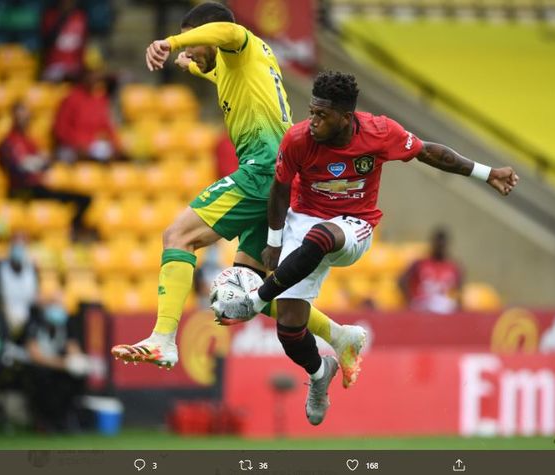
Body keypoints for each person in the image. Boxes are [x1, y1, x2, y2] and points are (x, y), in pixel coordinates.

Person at [215, 71, 519, 425]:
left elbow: (429, 152)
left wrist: (487, 173)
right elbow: (280, 190)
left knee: (322, 238)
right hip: (303, 220)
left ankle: (254, 301)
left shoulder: (380, 132)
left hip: (353, 226)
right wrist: (274, 242)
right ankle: (319, 373)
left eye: (321, 115)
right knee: (289, 330)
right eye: (312, 111)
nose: (312, 121)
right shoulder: (298, 139)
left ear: (346, 118)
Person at [111, 2, 366, 390]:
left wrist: (171, 41)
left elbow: (226, 33)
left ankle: (163, 339)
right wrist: (195, 65)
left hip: (262, 169)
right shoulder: (250, 64)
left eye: (197, 42)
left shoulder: (240, 41)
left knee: (178, 237)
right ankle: (339, 336)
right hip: (280, 179)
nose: (191, 50)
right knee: (254, 287)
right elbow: (227, 76)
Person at [0, 102, 92, 236]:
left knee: (83, 198)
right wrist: (40, 162)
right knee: (80, 198)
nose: (23, 119)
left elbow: (43, 163)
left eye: (26, 115)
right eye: (20, 115)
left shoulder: (31, 141)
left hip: (37, 186)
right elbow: (18, 166)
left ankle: (73, 230)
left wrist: (46, 161)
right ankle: (73, 233)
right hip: (22, 189)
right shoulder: (9, 142)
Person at [22, 293, 90, 432]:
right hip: (37, 368)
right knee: (42, 379)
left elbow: (73, 349)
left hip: (58, 368)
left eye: (60, 305)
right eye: (54, 304)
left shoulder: (67, 324)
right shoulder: (34, 324)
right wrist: (63, 364)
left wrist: (77, 362)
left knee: (76, 378)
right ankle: (44, 421)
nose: (57, 309)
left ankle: (65, 418)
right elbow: (35, 355)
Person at [52, 67, 122, 163]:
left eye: (98, 79)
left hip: (93, 146)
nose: (95, 81)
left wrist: (116, 145)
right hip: (71, 147)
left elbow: (107, 126)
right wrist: (78, 145)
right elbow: (60, 129)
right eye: (92, 77)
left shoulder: (100, 99)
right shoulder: (72, 98)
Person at [0, 233, 39, 342]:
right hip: (3, 314)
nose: (19, 247)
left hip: (27, 318)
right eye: (15, 243)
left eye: (22, 243)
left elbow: (35, 296)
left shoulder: (32, 269)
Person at [399, 227, 463, 314]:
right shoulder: (420, 263)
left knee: (447, 305)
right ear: (433, 243)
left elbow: (459, 290)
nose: (440, 246)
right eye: (438, 243)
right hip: (422, 303)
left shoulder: (454, 267)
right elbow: (402, 281)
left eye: (442, 244)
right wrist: (410, 299)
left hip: (443, 305)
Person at [40, 0, 89, 82]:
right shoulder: (51, 16)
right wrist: (63, 17)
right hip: (54, 68)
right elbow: (47, 42)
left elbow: (83, 45)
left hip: (75, 68)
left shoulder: (81, 17)